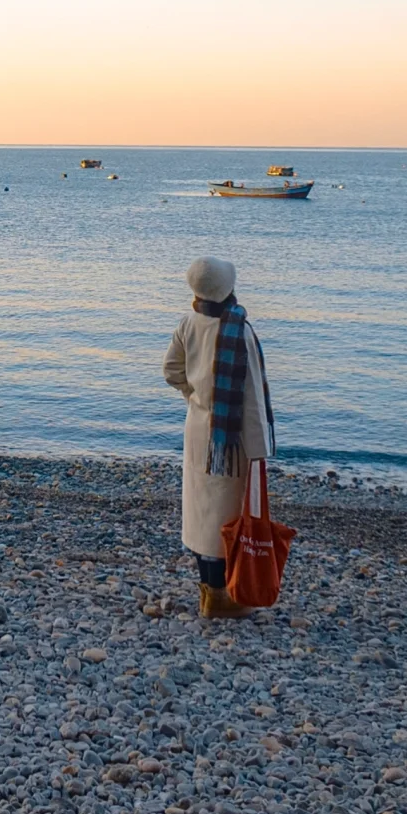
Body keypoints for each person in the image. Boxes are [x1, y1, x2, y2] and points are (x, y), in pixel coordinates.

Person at [163, 257, 275, 619]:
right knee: (226, 516)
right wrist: (259, 449)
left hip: (199, 430)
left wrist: (194, 398)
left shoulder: (188, 323)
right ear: (228, 288)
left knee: (201, 513)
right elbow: (252, 396)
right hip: (232, 437)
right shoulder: (239, 331)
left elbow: (171, 371)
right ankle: (223, 597)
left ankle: (208, 593)